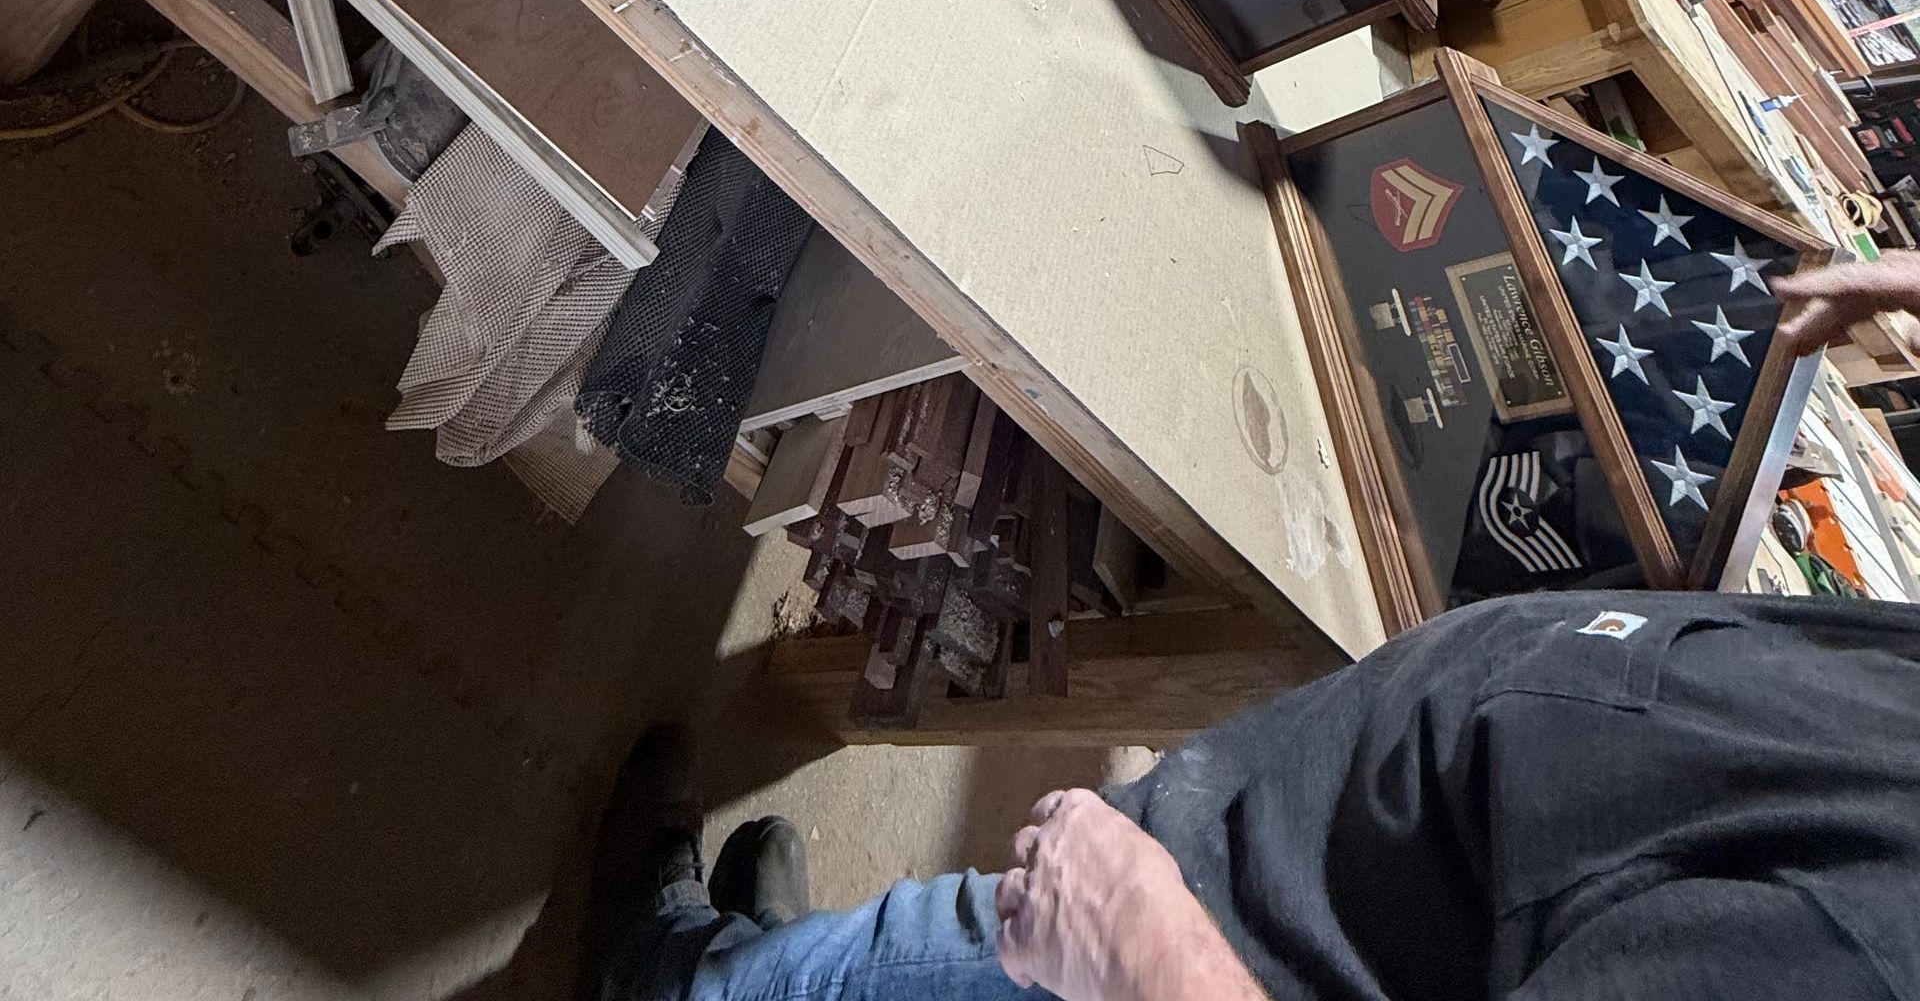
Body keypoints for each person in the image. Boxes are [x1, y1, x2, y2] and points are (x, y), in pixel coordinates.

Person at [578, 250, 1920, 1001]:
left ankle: (684, 984)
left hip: (1215, 948)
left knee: (916, 971)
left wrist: (1144, 948)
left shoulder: (1866, 950)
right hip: (1320, 853)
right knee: (899, 956)